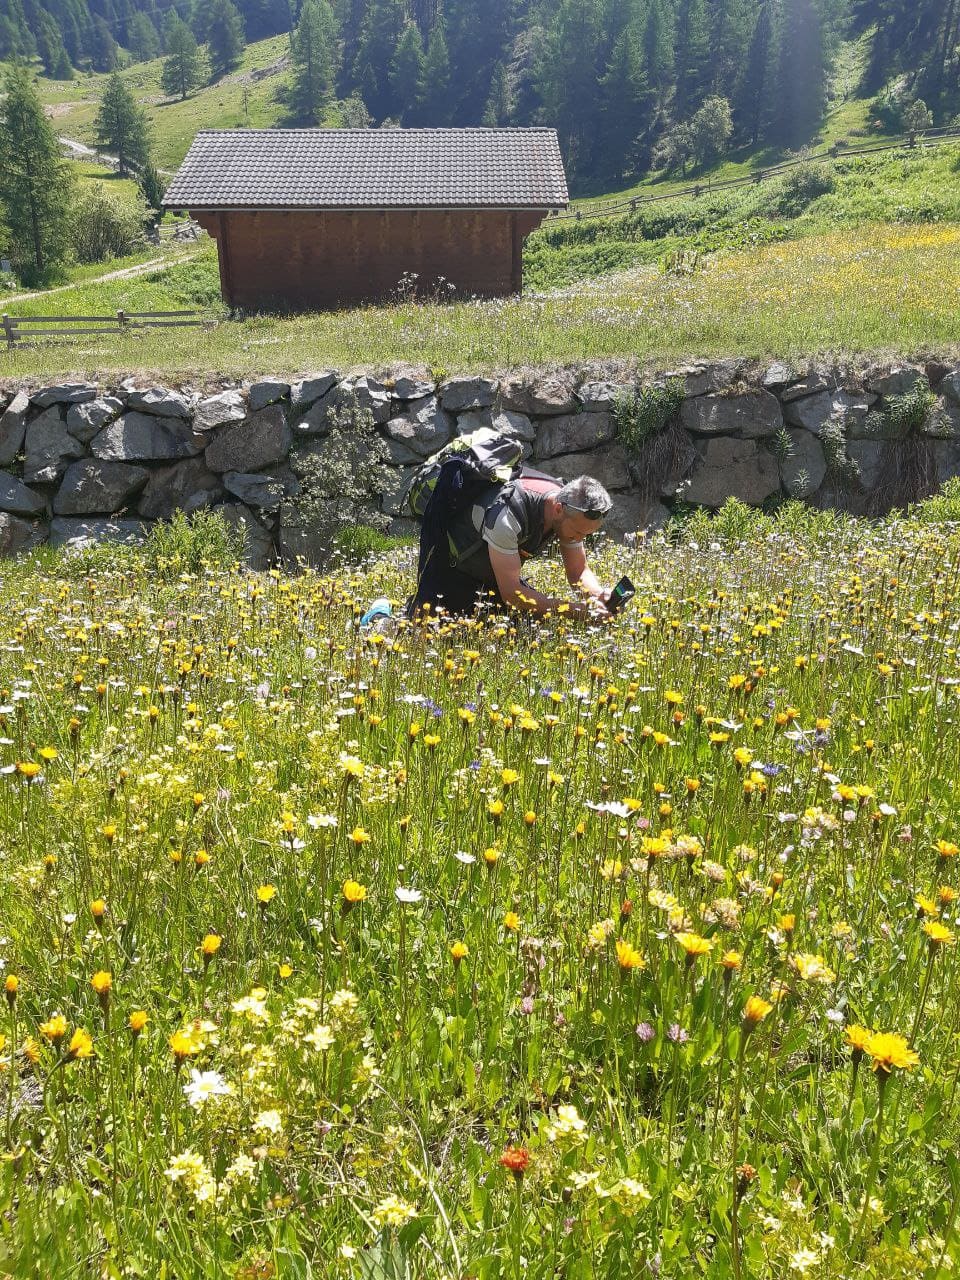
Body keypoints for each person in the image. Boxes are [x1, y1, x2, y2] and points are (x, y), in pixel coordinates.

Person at [411, 471, 615, 619]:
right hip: (457, 572)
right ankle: (385, 613)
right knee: (434, 628)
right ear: (559, 510)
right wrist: (576, 610)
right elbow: (512, 594)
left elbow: (578, 571)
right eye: (578, 532)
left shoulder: (569, 511)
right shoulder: (507, 516)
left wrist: (598, 596)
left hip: (495, 576)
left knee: (535, 621)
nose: (579, 538)